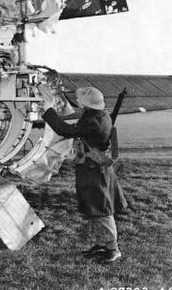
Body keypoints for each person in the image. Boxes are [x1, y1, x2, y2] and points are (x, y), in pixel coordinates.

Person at [41, 86, 126, 263]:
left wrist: (48, 109)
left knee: (102, 209)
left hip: (94, 169)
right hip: (93, 168)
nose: (77, 101)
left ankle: (113, 249)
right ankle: (102, 244)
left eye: (80, 99)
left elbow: (64, 130)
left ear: (87, 103)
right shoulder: (98, 115)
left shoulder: (93, 120)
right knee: (94, 207)